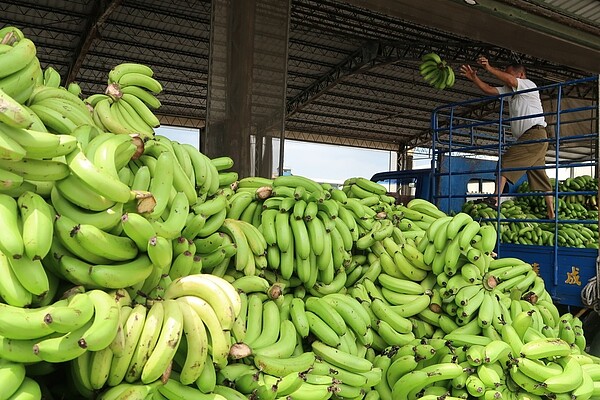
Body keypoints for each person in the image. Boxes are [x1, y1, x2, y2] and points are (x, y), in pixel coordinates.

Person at [460, 56, 555, 219]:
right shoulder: (511, 92)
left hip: (534, 134)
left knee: (505, 161)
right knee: (541, 176)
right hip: (535, 138)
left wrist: (489, 68)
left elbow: (510, 80)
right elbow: (489, 90)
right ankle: (551, 213)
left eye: (509, 74)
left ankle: (496, 199)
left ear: (521, 75)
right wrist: (475, 78)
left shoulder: (528, 85)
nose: (507, 78)